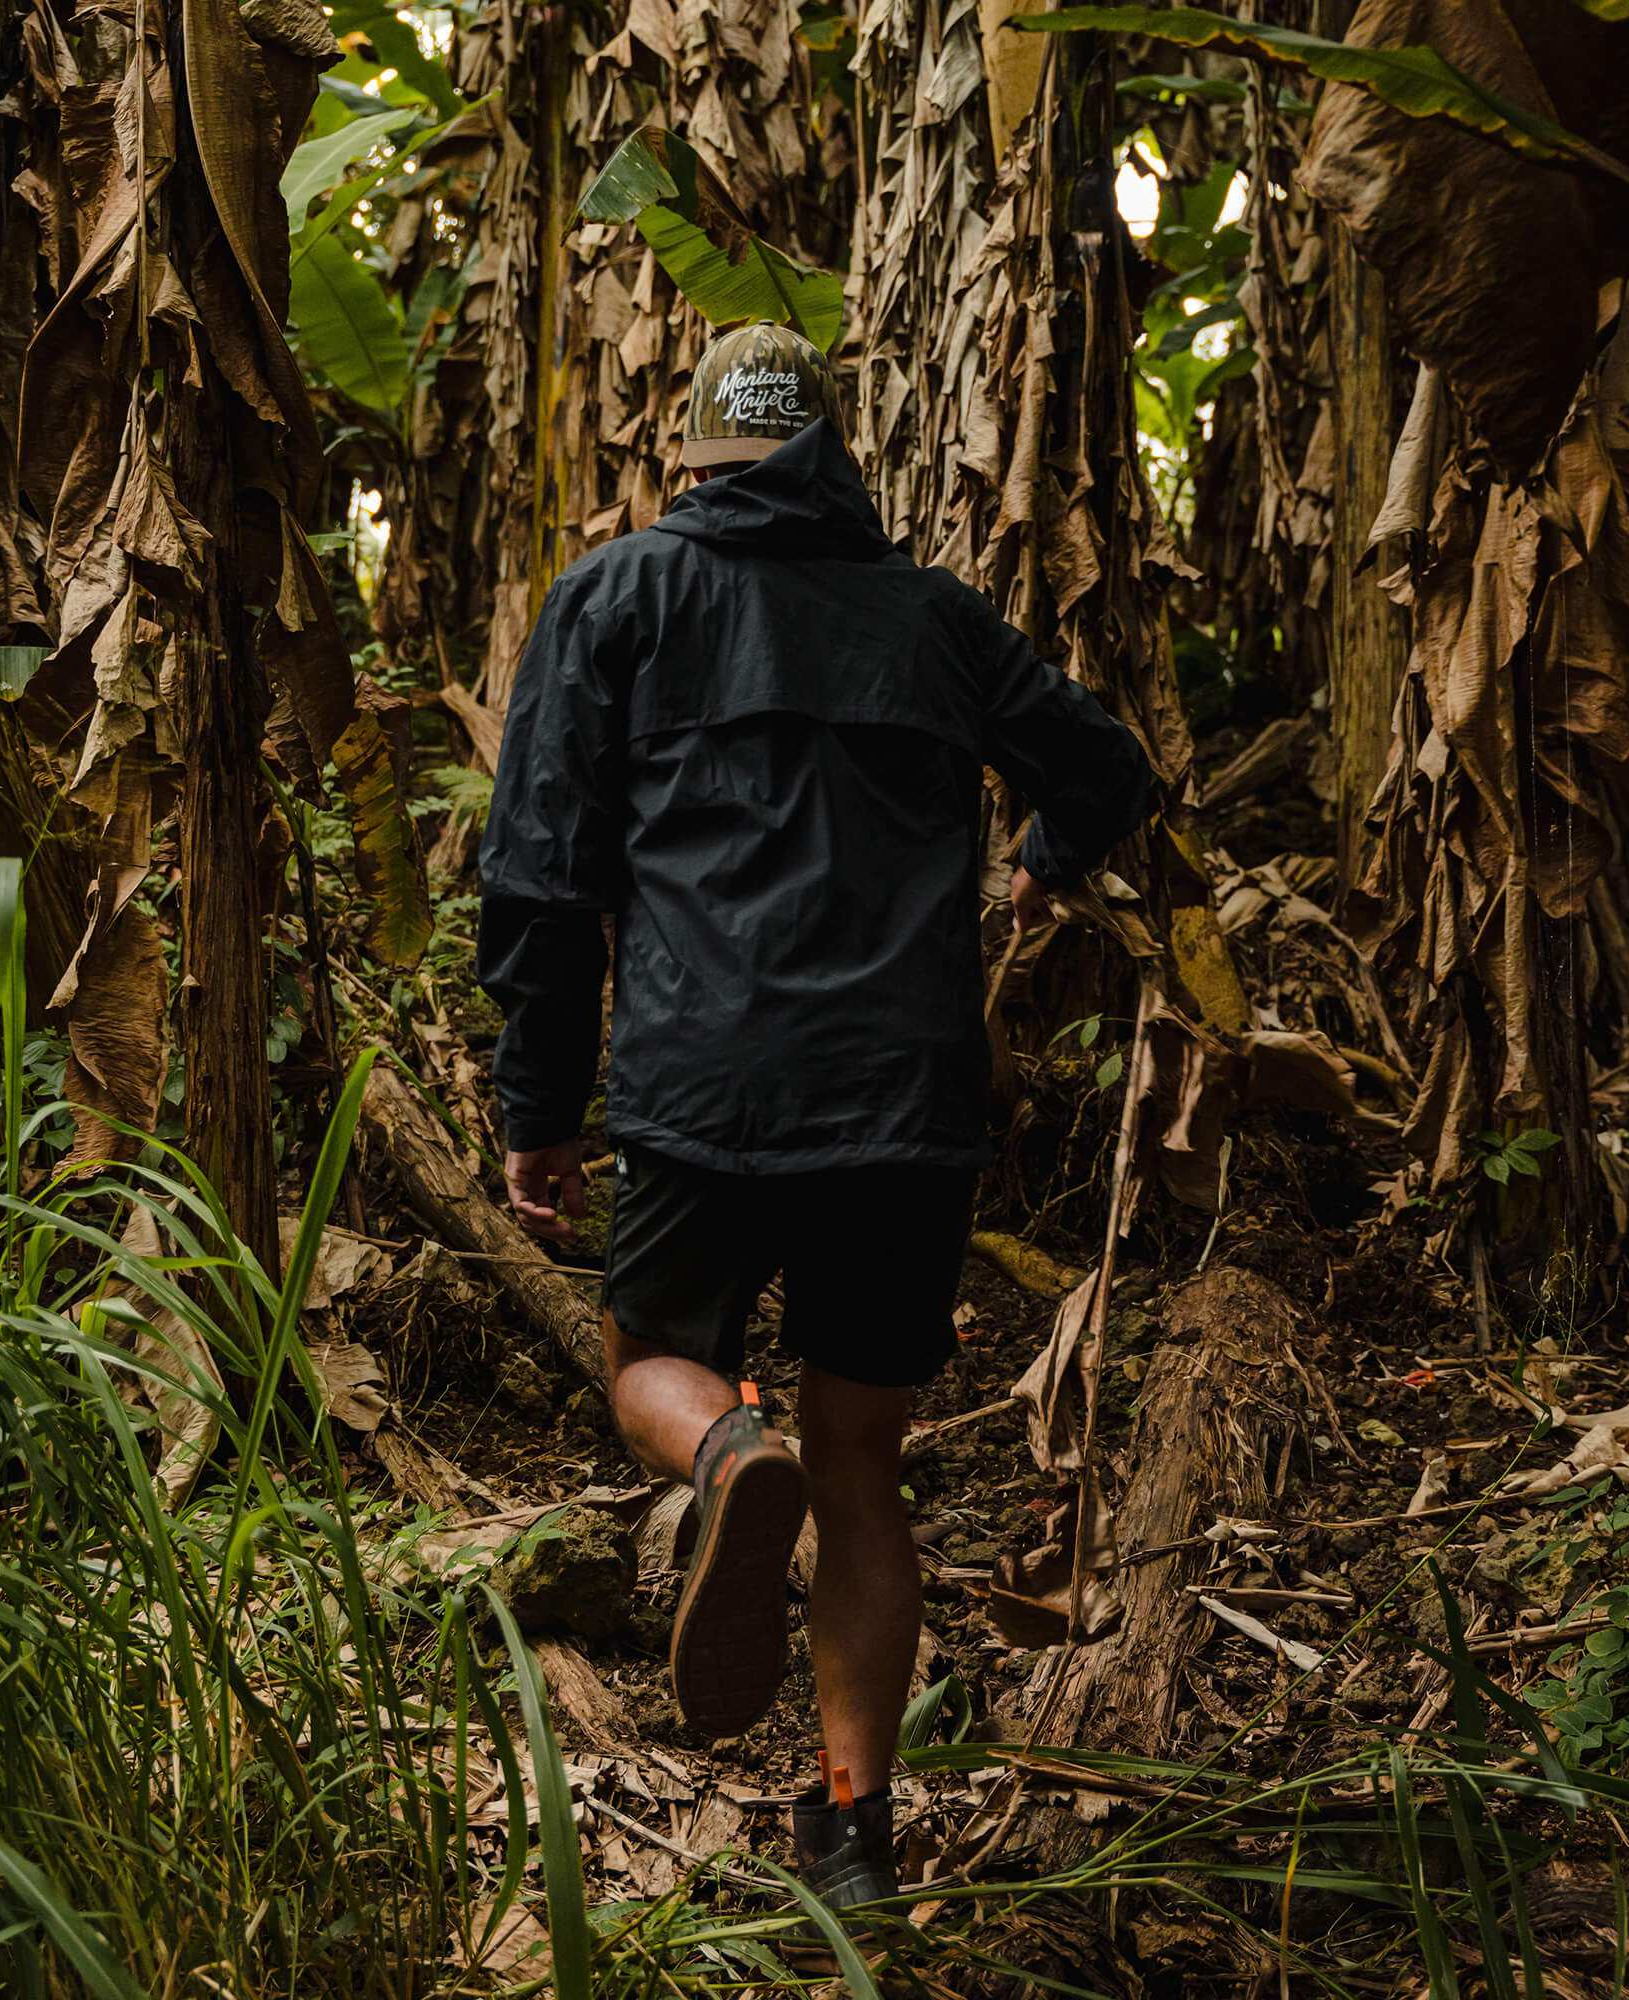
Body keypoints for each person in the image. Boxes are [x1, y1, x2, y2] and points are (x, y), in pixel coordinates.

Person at [476, 320, 1152, 1915]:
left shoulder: (616, 599)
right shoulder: (934, 620)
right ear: (832, 461)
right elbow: (1106, 767)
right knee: (866, 1474)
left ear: (694, 461)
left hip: (702, 1090)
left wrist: (537, 1110)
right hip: (901, 1107)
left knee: (646, 1359)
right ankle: (853, 1831)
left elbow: (543, 880)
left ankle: (722, 1450)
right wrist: (1047, 860)